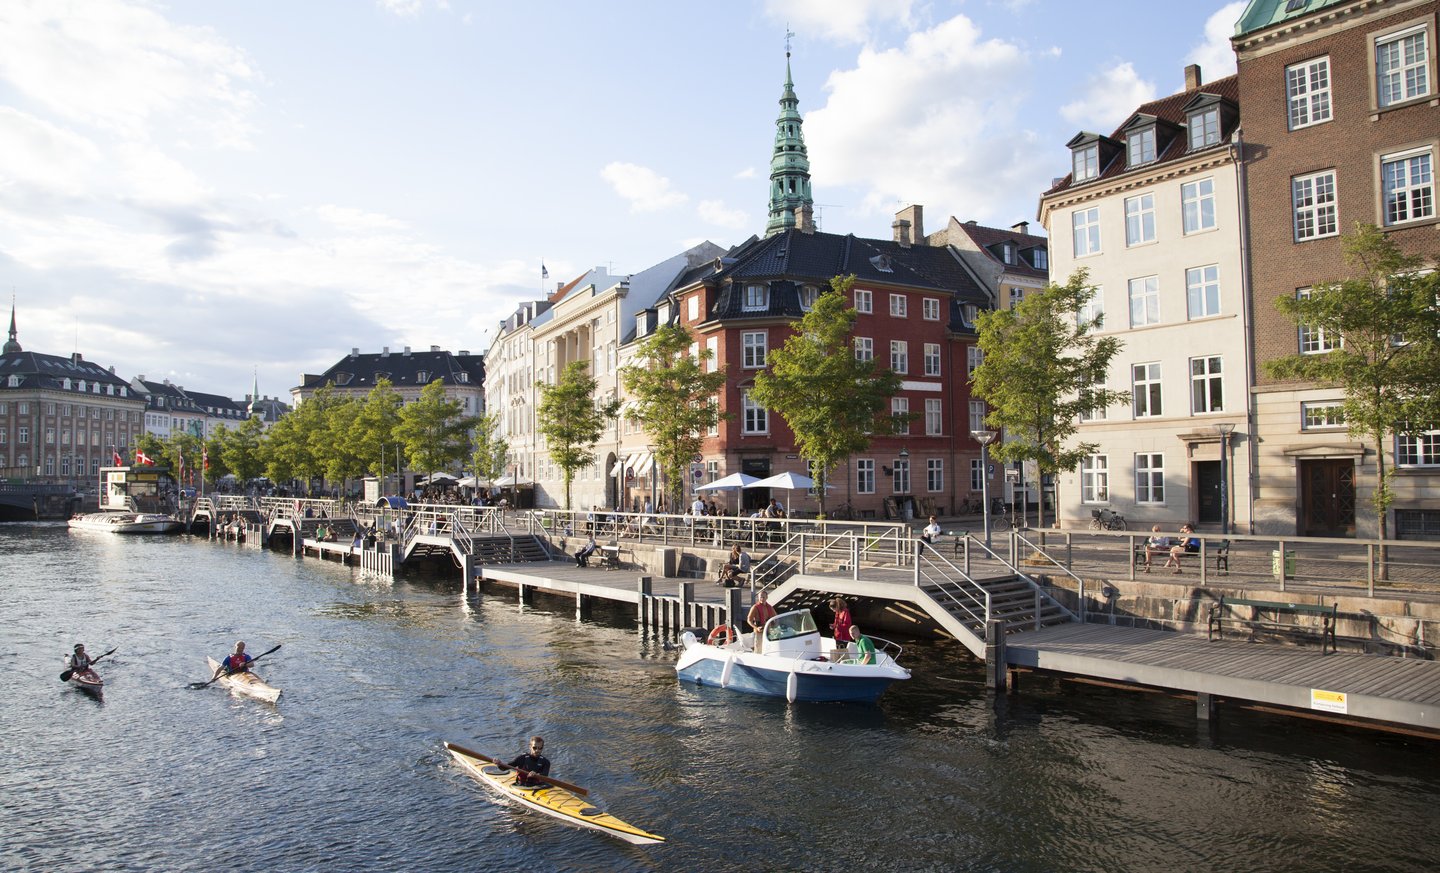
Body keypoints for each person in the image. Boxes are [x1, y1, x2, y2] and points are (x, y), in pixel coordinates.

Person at [829, 596, 853, 661]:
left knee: (842, 651)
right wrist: (833, 626)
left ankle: (843, 661)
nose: (833, 611)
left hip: (844, 636)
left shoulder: (845, 612)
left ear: (836, 607)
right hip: (838, 635)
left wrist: (837, 626)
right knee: (838, 650)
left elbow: (847, 625)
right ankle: (839, 661)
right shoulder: (837, 613)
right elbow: (836, 623)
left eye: (833, 609)